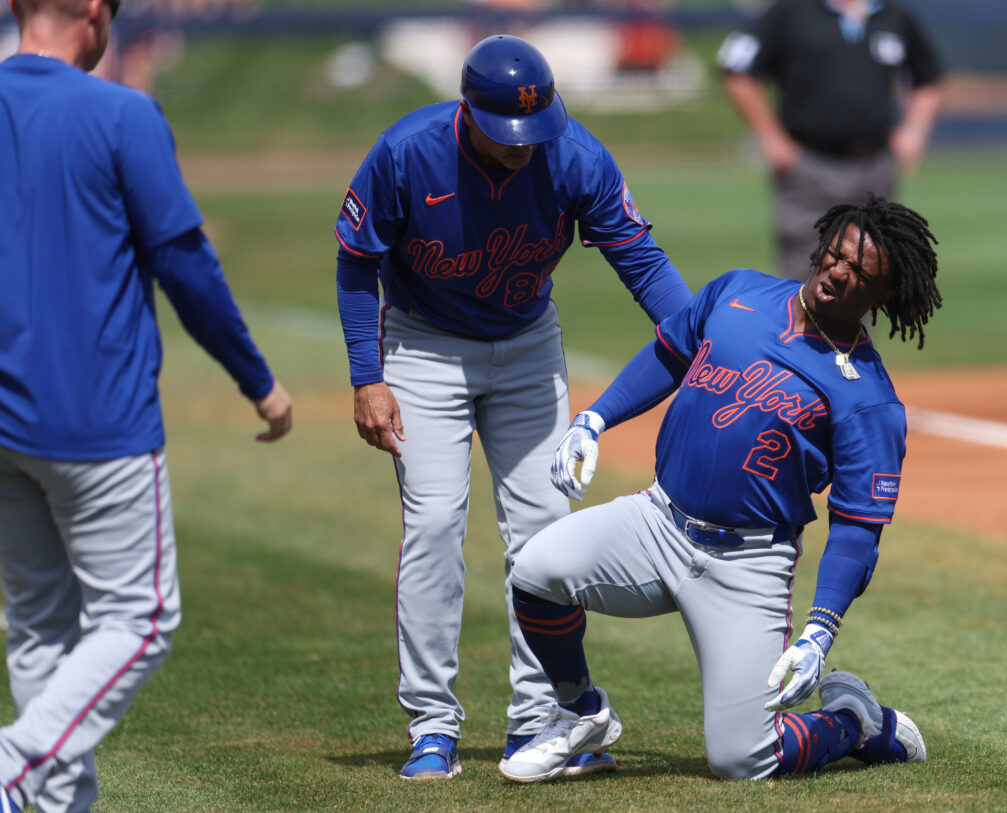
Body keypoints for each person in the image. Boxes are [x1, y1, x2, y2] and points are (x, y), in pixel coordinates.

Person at [332, 33, 691, 780]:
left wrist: (701, 339)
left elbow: (640, 259)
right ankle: (432, 723)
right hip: (424, 346)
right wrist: (368, 375)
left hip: (528, 345)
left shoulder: (575, 155)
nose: (523, 148)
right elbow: (357, 259)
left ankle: (539, 719)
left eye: (535, 132)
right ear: (468, 111)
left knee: (542, 533)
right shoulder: (408, 152)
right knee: (433, 524)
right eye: (506, 136)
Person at [499, 196, 941, 782]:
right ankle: (582, 714)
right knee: (534, 572)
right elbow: (668, 354)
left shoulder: (868, 400)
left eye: (859, 273)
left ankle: (853, 720)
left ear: (883, 297)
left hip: (747, 565)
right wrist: (594, 419)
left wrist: (819, 632)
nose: (838, 272)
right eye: (835, 255)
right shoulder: (739, 294)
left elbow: (859, 529)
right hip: (657, 522)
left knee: (743, 758)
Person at [0, 0, 293, 810]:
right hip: (99, 420)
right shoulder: (121, 111)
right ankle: (13, 766)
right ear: (95, 12)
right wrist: (258, 381)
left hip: (4, 421)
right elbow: (186, 264)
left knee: (37, 627)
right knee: (142, 617)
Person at [717, 0, 945, 280]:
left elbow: (929, 77)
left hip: (875, 166)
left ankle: (857, 327)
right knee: (805, 270)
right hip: (811, 164)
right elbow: (736, 68)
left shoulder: (892, 14)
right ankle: (798, 327)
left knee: (868, 271)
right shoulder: (791, 11)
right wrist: (770, 137)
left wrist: (914, 131)